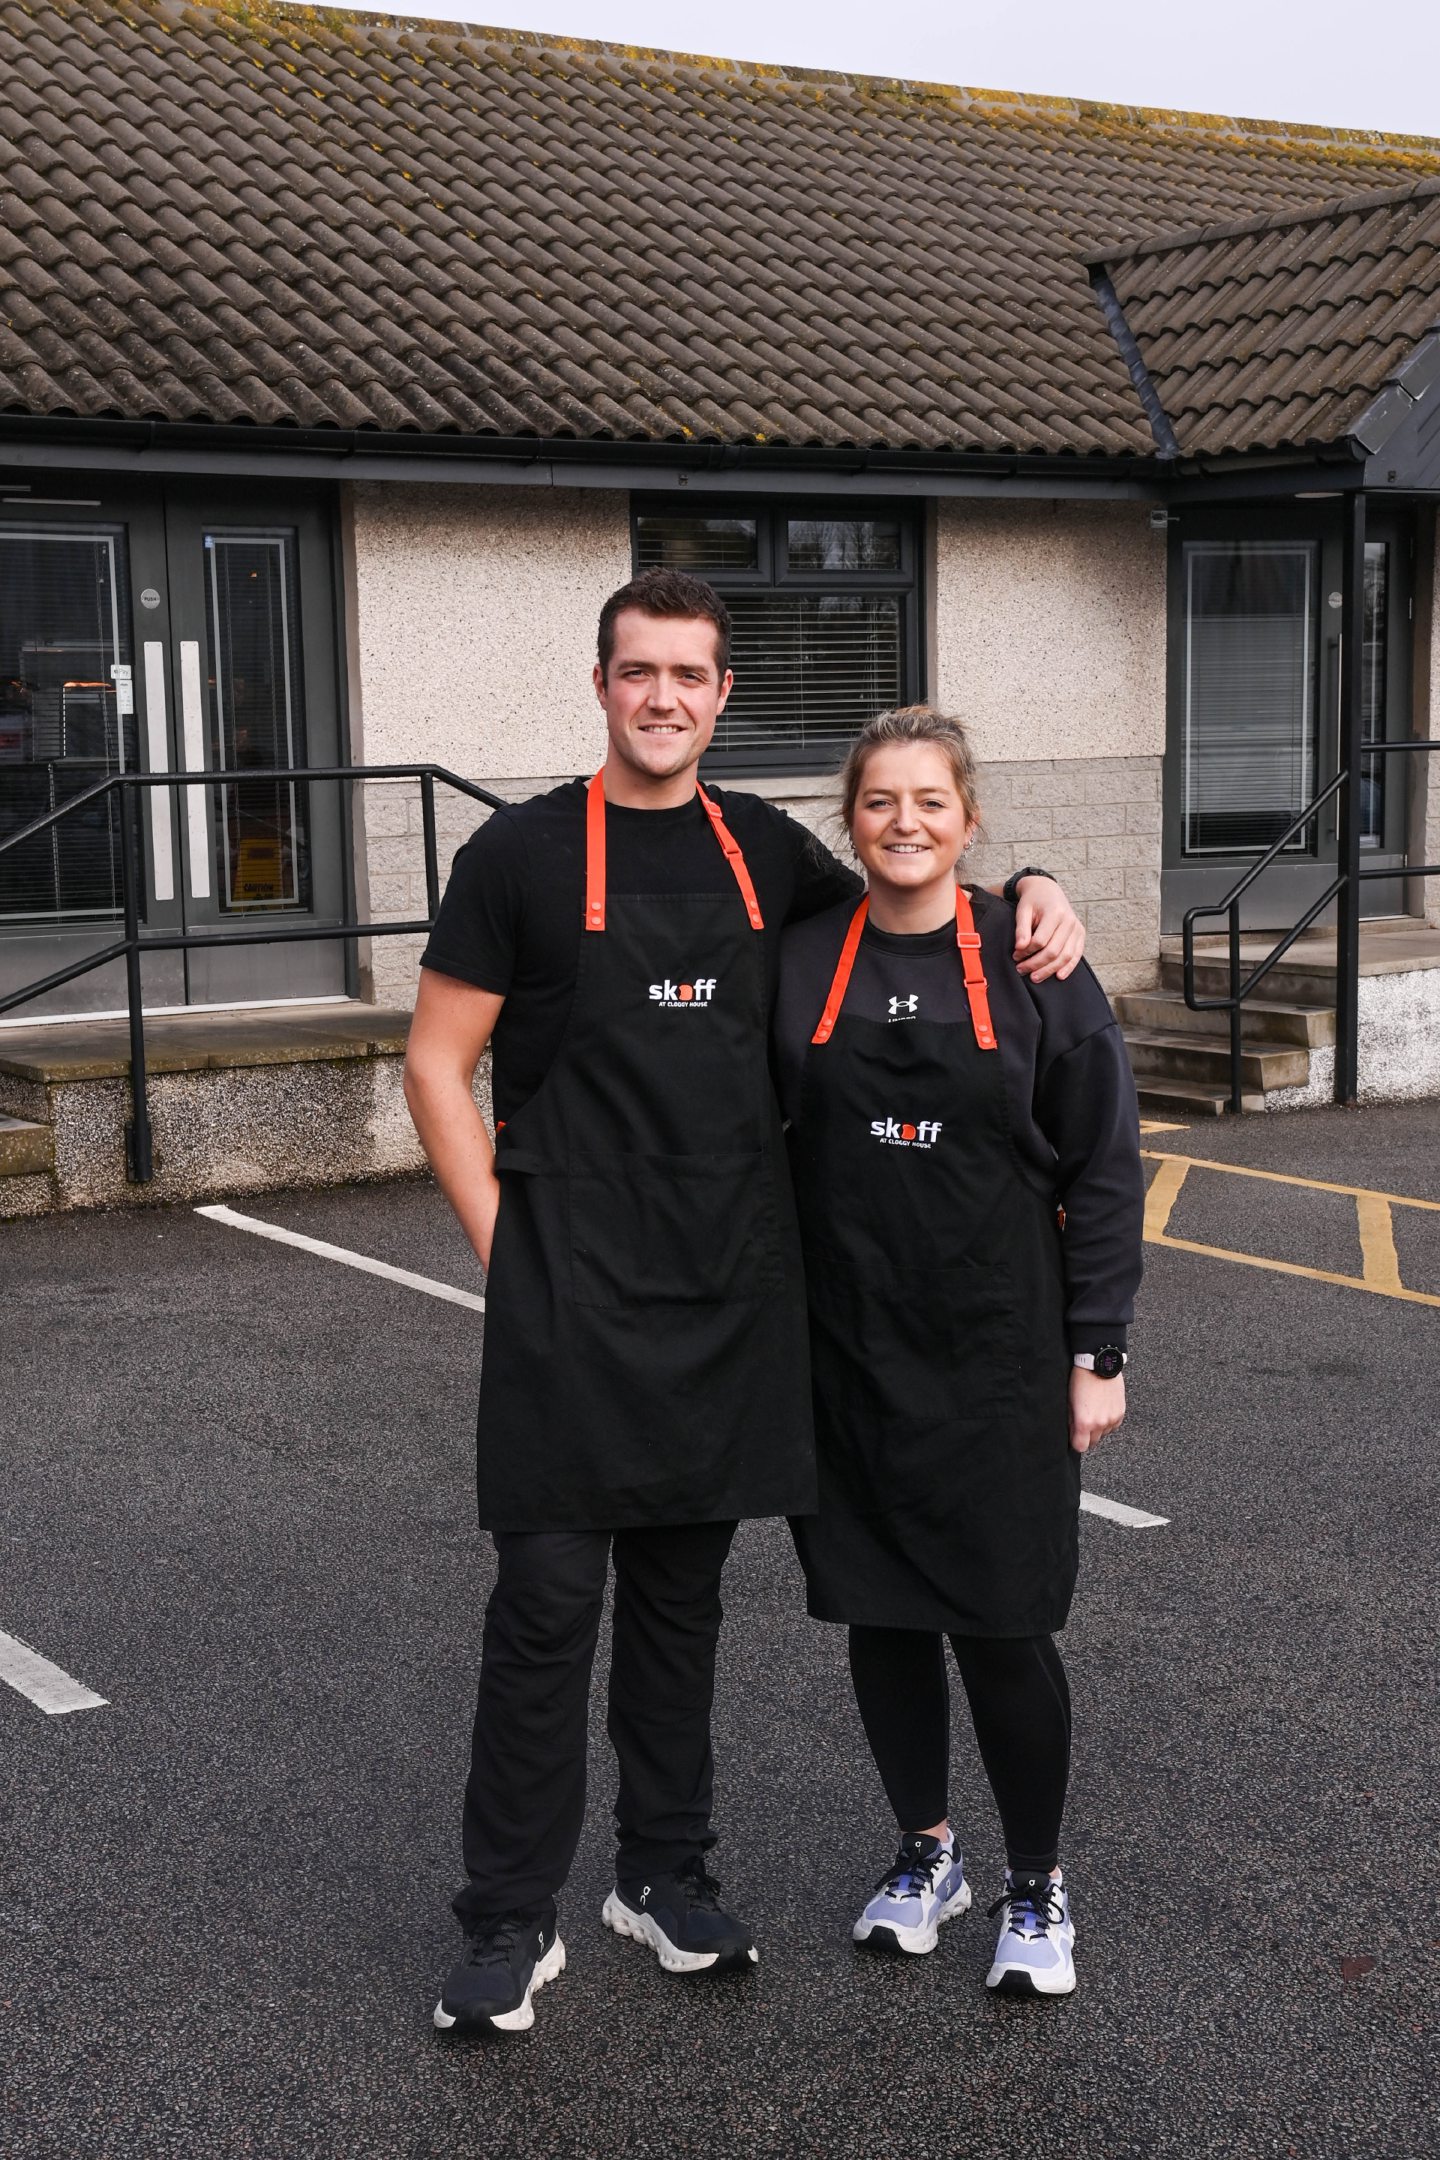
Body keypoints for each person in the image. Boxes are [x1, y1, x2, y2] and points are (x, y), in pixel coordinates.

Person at [403, 572, 1087, 2038]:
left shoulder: (769, 850)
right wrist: (502, 1250)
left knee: (680, 1604)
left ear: (722, 698)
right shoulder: (516, 856)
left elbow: (915, 901)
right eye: (639, 671)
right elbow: (433, 1066)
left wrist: (1033, 892)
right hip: (568, 1296)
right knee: (544, 1608)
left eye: (692, 676)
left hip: (724, 1296)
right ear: (600, 685)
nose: (665, 697)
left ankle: (665, 1876)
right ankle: (508, 1920)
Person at [773, 704, 1144, 1999]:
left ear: (969, 821)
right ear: (851, 821)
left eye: (931, 801)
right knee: (880, 1612)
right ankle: (926, 1854)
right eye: (881, 802)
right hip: (849, 1351)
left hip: (998, 1354)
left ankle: (1037, 1879)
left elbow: (1102, 1166)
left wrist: (1095, 1352)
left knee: (1001, 1628)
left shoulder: (1034, 959)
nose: (906, 823)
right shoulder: (803, 952)